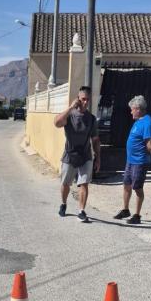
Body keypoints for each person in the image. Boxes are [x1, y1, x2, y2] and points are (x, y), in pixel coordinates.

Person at [54, 85, 100, 222]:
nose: (85, 102)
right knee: (65, 183)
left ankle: (81, 210)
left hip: (85, 155)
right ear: (78, 99)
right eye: (83, 99)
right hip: (70, 154)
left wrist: (98, 158)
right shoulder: (70, 116)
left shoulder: (91, 119)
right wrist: (70, 108)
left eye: (87, 100)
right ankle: (63, 204)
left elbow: (96, 140)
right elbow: (56, 123)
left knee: (84, 183)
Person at [113, 95, 151, 225]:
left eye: (132, 109)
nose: (130, 111)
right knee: (126, 185)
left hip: (140, 162)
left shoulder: (147, 122)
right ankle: (126, 210)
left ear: (138, 109)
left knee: (137, 188)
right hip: (130, 161)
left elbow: (148, 142)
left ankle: (137, 215)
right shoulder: (138, 121)